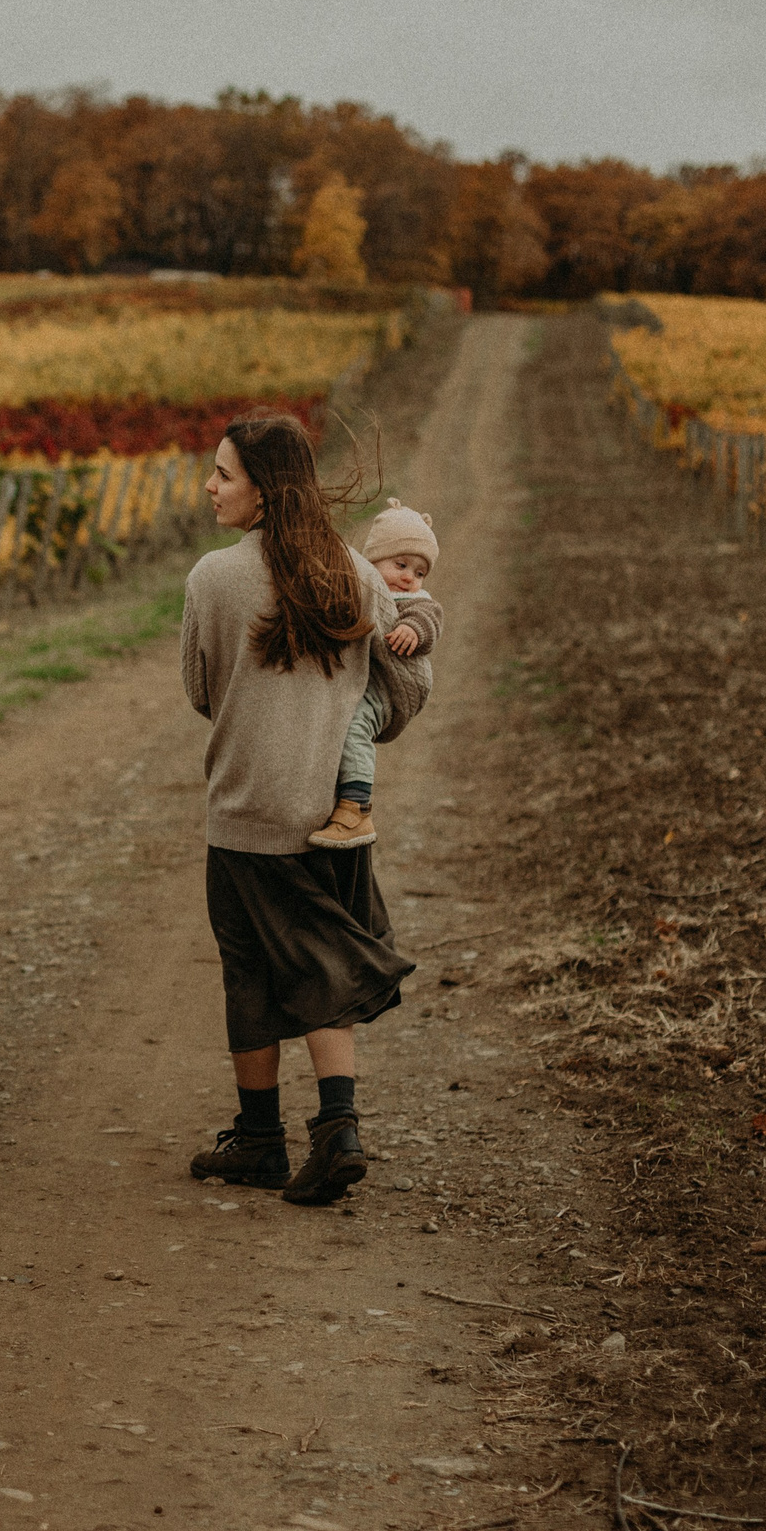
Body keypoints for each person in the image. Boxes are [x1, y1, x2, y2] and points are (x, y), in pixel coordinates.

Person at [180, 410, 416, 1203]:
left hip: (245, 815)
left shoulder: (214, 578)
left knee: (248, 973)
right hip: (334, 819)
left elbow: (200, 691)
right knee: (325, 971)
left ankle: (262, 1138)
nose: (210, 486)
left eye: (223, 473)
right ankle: (334, 1126)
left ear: (263, 488)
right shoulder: (357, 574)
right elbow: (401, 685)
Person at [308, 499, 443, 848]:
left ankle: (357, 809)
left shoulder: (415, 601)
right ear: (371, 560)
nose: (409, 578)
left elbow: (430, 620)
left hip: (389, 686)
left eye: (419, 572)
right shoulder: (361, 586)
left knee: (355, 726)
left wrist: (414, 629)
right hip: (363, 678)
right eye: (400, 564)